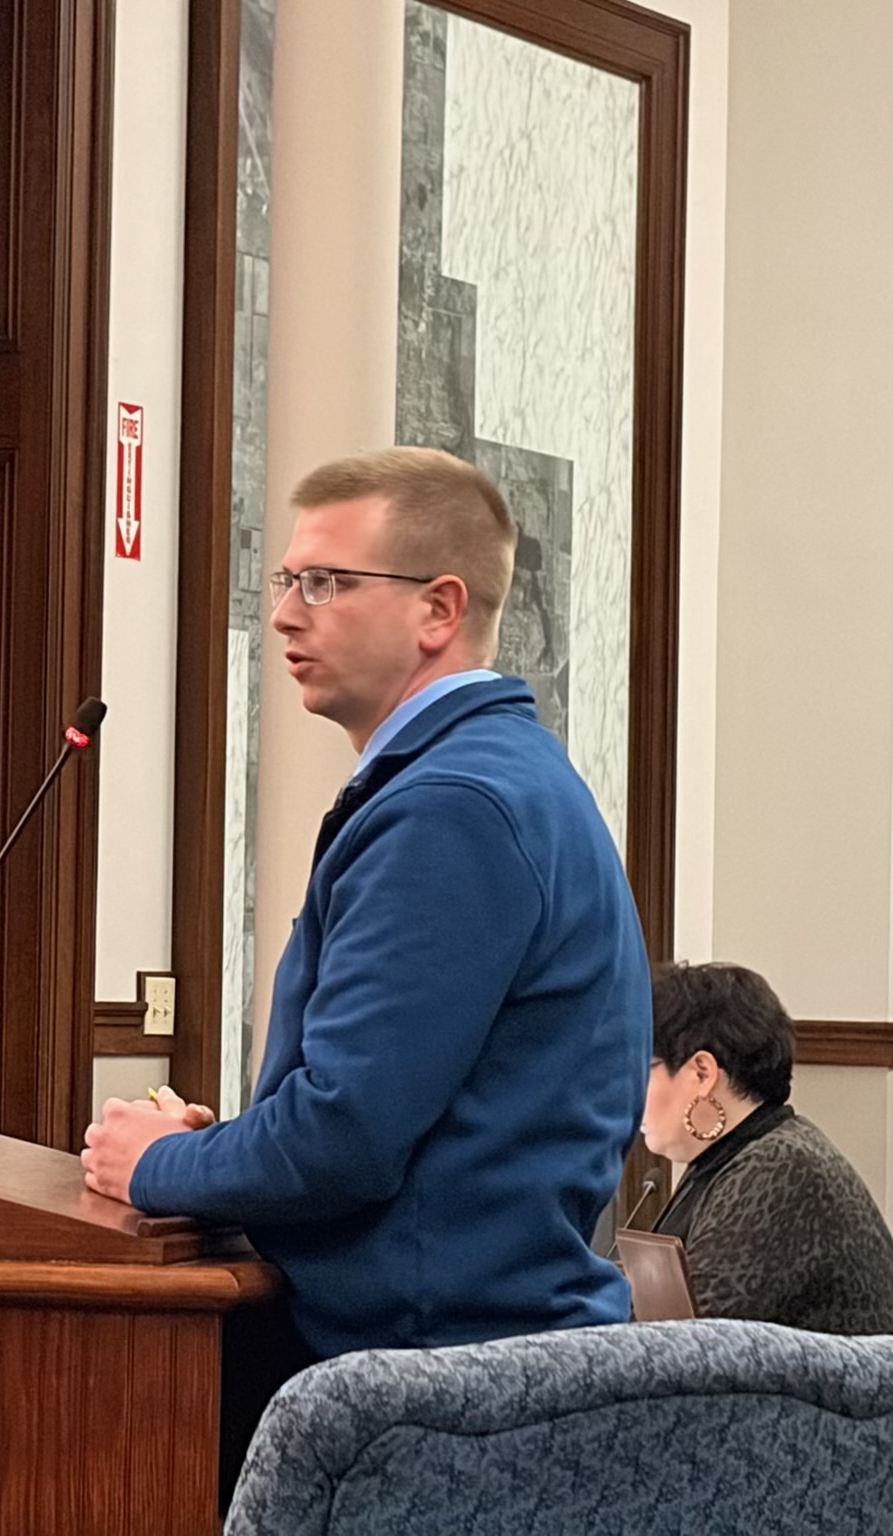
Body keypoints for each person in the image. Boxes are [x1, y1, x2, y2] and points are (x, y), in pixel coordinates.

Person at [77, 447, 651, 1488]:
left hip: (428, 1402)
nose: (284, 615)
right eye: (285, 579)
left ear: (438, 609)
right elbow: (407, 1114)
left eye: (324, 582)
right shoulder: (490, 779)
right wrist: (223, 1153)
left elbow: (344, 1137)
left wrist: (152, 1166)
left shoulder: (450, 808)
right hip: (459, 1375)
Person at [643, 961, 893, 1336]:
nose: (627, 1091)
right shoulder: (727, 1159)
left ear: (702, 1073)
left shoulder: (781, 1170)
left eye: (642, 1069)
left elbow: (688, 1342)